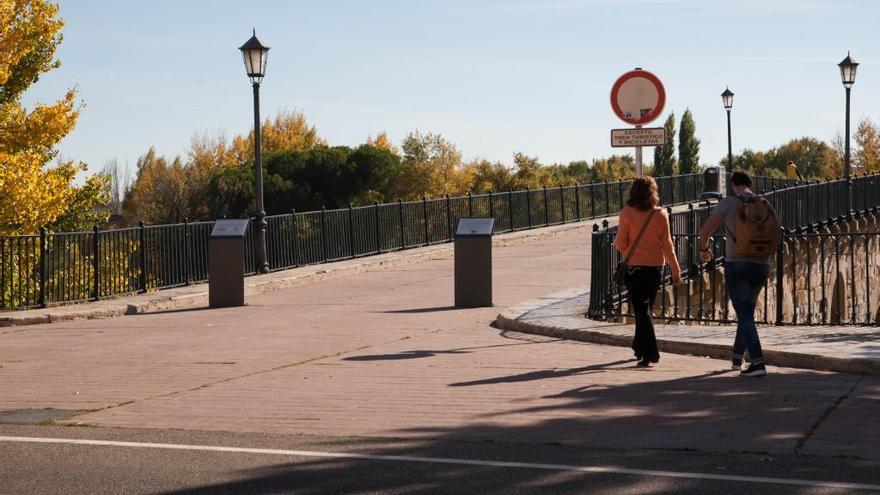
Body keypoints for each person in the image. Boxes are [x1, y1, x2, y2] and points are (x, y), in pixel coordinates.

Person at [698, 171, 776, 377]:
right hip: (762, 264)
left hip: (738, 264)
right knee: (746, 311)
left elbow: (705, 231)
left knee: (744, 313)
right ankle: (736, 357)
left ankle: (758, 363)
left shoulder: (728, 203)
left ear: (733, 185)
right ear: (750, 184)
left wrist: (704, 249)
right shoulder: (764, 203)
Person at [614, 177, 681, 368]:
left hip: (634, 269)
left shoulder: (627, 212)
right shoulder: (661, 214)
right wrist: (676, 270)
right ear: (653, 192)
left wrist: (627, 246)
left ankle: (650, 352)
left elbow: (620, 243)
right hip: (654, 269)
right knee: (645, 310)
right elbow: (668, 246)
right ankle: (638, 346)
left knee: (641, 310)